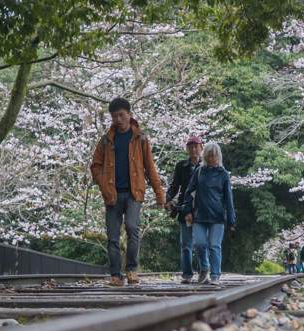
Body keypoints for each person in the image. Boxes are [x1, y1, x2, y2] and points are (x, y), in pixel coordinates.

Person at [90, 97, 166, 286]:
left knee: (133, 228)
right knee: (113, 236)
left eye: (121, 115)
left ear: (129, 115)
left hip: (134, 193)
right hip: (112, 194)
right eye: (114, 116)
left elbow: (150, 167)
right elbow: (95, 165)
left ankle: (131, 269)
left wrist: (159, 193)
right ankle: (116, 275)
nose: (118, 119)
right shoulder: (106, 140)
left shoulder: (140, 139)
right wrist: (103, 184)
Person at [180, 141, 235, 284]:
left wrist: (231, 219)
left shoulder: (224, 174)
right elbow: (188, 192)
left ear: (219, 156)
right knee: (199, 243)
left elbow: (229, 198)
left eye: (214, 156)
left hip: (217, 217)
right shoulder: (199, 171)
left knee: (214, 245)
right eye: (209, 156)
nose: (212, 159)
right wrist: (187, 210)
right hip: (199, 215)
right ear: (205, 156)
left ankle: (215, 275)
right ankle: (204, 268)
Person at [166, 135, 203, 284]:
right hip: (185, 209)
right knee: (186, 244)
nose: (193, 149)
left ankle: (203, 272)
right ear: (187, 149)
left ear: (201, 148)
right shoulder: (181, 166)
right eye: (191, 147)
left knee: (201, 243)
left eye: (196, 146)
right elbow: (175, 186)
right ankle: (187, 274)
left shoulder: (206, 165)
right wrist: (167, 198)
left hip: (201, 209)